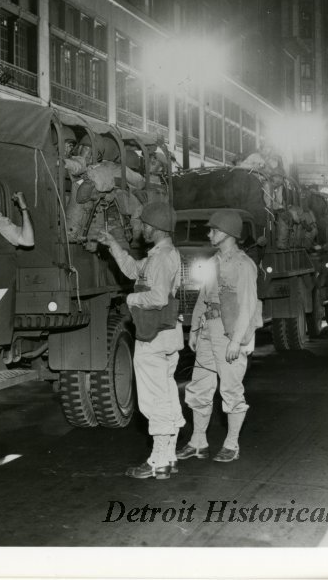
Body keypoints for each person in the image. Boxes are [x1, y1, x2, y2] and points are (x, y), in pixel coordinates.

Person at [98, 202, 183, 480]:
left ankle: (157, 461)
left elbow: (157, 298)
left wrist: (131, 299)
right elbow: (135, 271)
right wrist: (113, 246)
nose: (142, 229)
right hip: (168, 334)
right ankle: (168, 456)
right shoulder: (165, 253)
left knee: (153, 400)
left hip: (153, 336)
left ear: (156, 228)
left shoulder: (160, 258)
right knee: (168, 395)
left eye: (146, 225)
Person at [178, 209, 261, 464]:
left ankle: (231, 444)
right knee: (200, 387)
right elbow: (204, 297)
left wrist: (237, 341)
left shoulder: (243, 265)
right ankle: (198, 441)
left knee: (230, 389)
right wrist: (194, 329)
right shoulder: (214, 261)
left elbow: (247, 304)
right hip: (207, 332)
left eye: (213, 229)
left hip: (229, 334)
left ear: (225, 233)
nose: (209, 233)